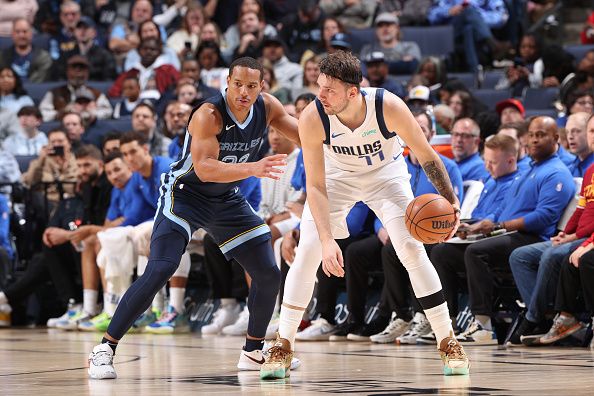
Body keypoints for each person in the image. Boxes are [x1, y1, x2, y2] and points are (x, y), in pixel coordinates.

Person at [260, 50, 469, 379]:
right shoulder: (315, 117)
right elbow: (315, 186)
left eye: (329, 89)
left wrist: (451, 201)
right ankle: (283, 345)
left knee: (411, 250)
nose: (321, 95)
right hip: (337, 181)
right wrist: (328, 240)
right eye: (319, 87)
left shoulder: (388, 106)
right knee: (307, 254)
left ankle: (448, 341)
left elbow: (427, 157)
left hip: (387, 178)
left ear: (352, 92)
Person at [87, 56, 300, 379]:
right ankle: (105, 348)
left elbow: (306, 138)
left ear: (262, 87)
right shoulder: (208, 115)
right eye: (238, 84)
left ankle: (252, 351)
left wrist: (335, 145)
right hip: (185, 196)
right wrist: (254, 168)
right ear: (226, 82)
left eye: (251, 86)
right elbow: (205, 168)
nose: (244, 91)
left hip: (226, 198)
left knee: (268, 273)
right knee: (162, 267)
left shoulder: (268, 107)